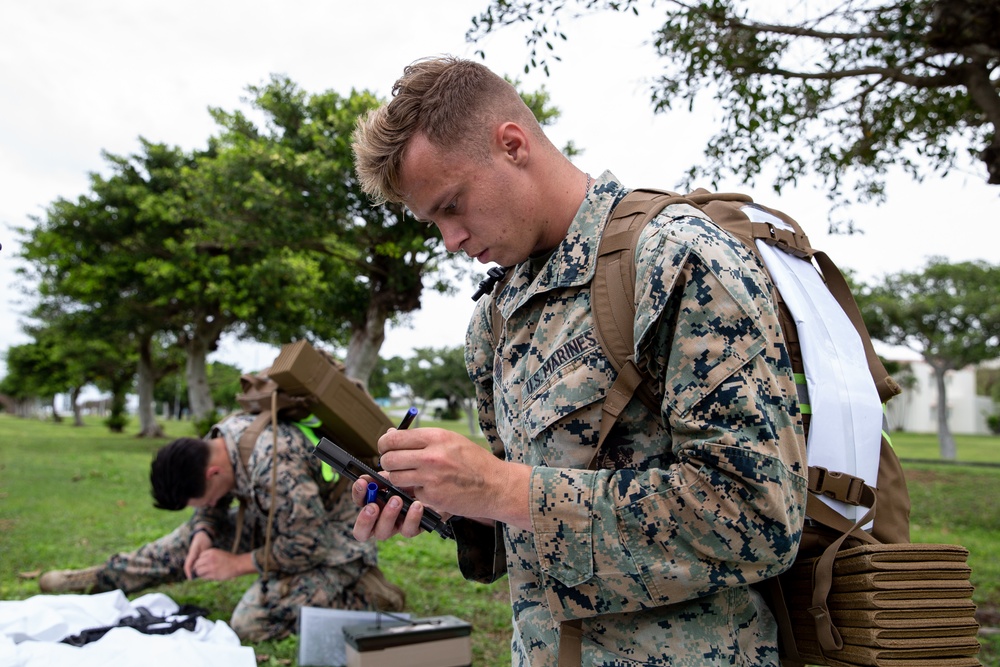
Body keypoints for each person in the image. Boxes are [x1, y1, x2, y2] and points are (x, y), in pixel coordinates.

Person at [349, 56, 809, 666]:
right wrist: (458, 503)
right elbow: (536, 521)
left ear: (511, 145)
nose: (451, 239)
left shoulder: (675, 259)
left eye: (453, 205)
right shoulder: (496, 315)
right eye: (433, 220)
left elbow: (759, 516)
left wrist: (504, 489)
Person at [38, 412, 405, 642]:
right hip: (277, 521)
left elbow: (308, 543)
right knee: (183, 542)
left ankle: (367, 593)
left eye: (206, 500)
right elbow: (216, 506)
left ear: (213, 473)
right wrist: (203, 531)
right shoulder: (222, 436)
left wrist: (237, 564)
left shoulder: (275, 465)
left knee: (250, 624)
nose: (210, 507)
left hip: (333, 544)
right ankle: (101, 577)